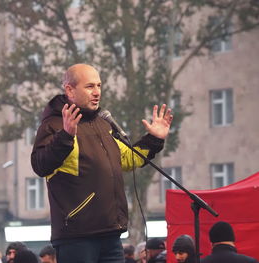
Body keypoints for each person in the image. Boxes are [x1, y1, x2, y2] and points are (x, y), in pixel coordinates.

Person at [31, 63, 173, 263]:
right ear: (69, 90)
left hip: (110, 234)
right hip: (77, 236)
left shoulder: (103, 123)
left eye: (99, 85)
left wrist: (154, 139)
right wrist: (65, 136)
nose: (97, 92)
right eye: (90, 86)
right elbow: (40, 165)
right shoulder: (54, 125)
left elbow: (126, 158)